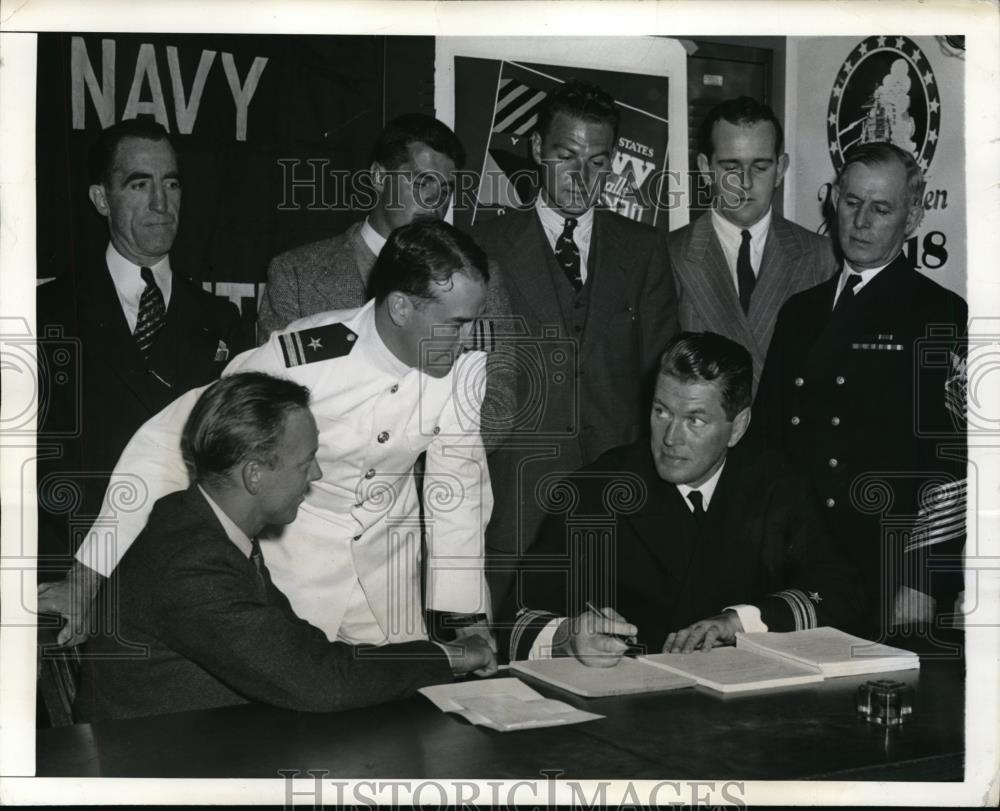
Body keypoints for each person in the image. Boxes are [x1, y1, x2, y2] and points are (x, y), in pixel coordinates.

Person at [40, 220, 493, 648]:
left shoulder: (462, 371)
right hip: (292, 591)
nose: (470, 339)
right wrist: (86, 578)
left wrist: (464, 620)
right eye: (456, 324)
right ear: (399, 306)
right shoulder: (301, 358)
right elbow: (166, 443)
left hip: (391, 594)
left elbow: (457, 493)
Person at [74, 372, 493, 722]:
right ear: (255, 475)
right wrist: (453, 656)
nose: (317, 472)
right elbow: (320, 682)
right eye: (304, 461)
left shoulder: (198, 522)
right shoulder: (193, 564)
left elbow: (302, 653)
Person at [502, 332, 867, 665]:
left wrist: (741, 621)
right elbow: (513, 621)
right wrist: (569, 639)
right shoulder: (596, 491)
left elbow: (843, 595)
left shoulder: (777, 485)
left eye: (695, 420)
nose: (670, 438)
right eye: (661, 412)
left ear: (737, 427)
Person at [473, 79, 679, 614]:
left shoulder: (645, 248)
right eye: (566, 155)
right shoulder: (482, 247)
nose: (581, 177)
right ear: (537, 149)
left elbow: (662, 376)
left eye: (597, 161)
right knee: (504, 658)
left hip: (617, 497)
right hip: (516, 497)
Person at [754, 142, 967, 632]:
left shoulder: (939, 313)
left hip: (885, 565)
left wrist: (923, 579)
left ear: (911, 218)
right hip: (797, 559)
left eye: (881, 208)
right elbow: (766, 440)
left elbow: (953, 464)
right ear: (833, 202)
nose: (862, 221)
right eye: (852, 203)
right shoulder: (800, 312)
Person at [35, 118, 244, 581]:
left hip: (191, 571)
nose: (160, 203)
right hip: (79, 569)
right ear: (101, 199)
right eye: (138, 184)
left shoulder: (221, 318)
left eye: (171, 183)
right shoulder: (46, 312)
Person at [257, 112, 514, 431]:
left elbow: (498, 400)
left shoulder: (479, 276)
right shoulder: (296, 274)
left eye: (445, 189)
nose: (434, 200)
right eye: (421, 181)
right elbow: (270, 401)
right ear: (379, 177)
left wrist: (418, 457)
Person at [667, 97, 837, 390]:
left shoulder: (822, 257)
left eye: (760, 167)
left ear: (781, 169)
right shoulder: (668, 255)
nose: (745, 183)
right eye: (731, 167)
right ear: (706, 169)